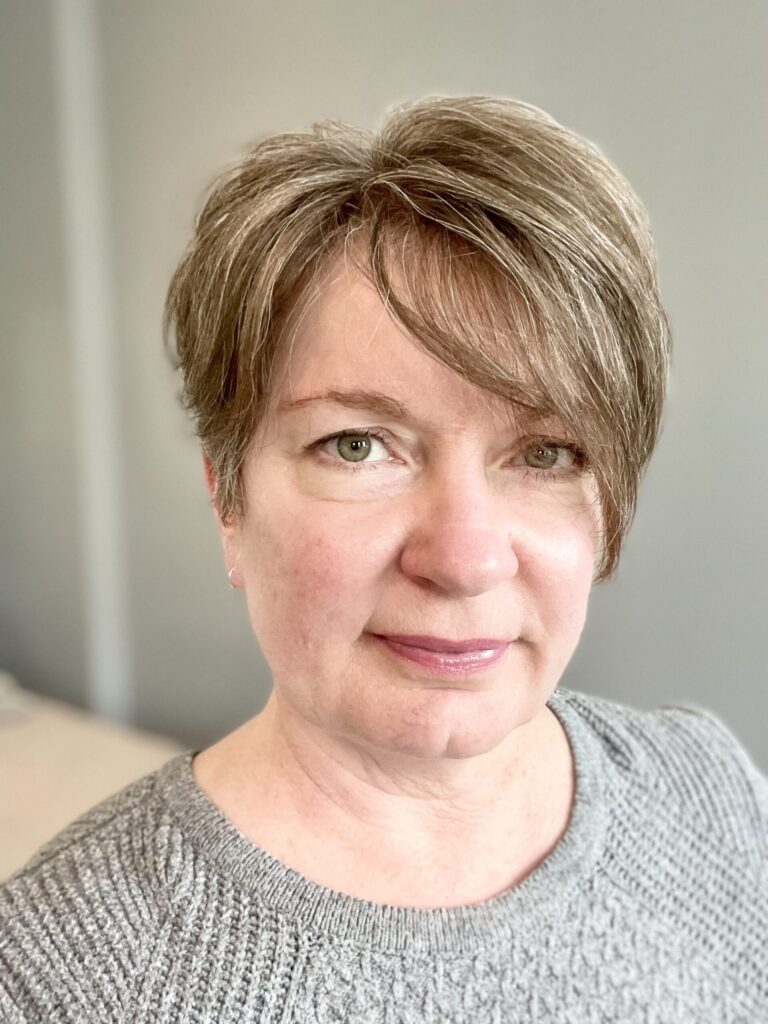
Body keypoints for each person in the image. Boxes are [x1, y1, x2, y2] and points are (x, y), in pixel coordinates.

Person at [1, 95, 765, 1022]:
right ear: (229, 499)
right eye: (358, 445)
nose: (465, 560)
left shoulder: (713, 792)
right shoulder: (53, 974)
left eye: (545, 454)